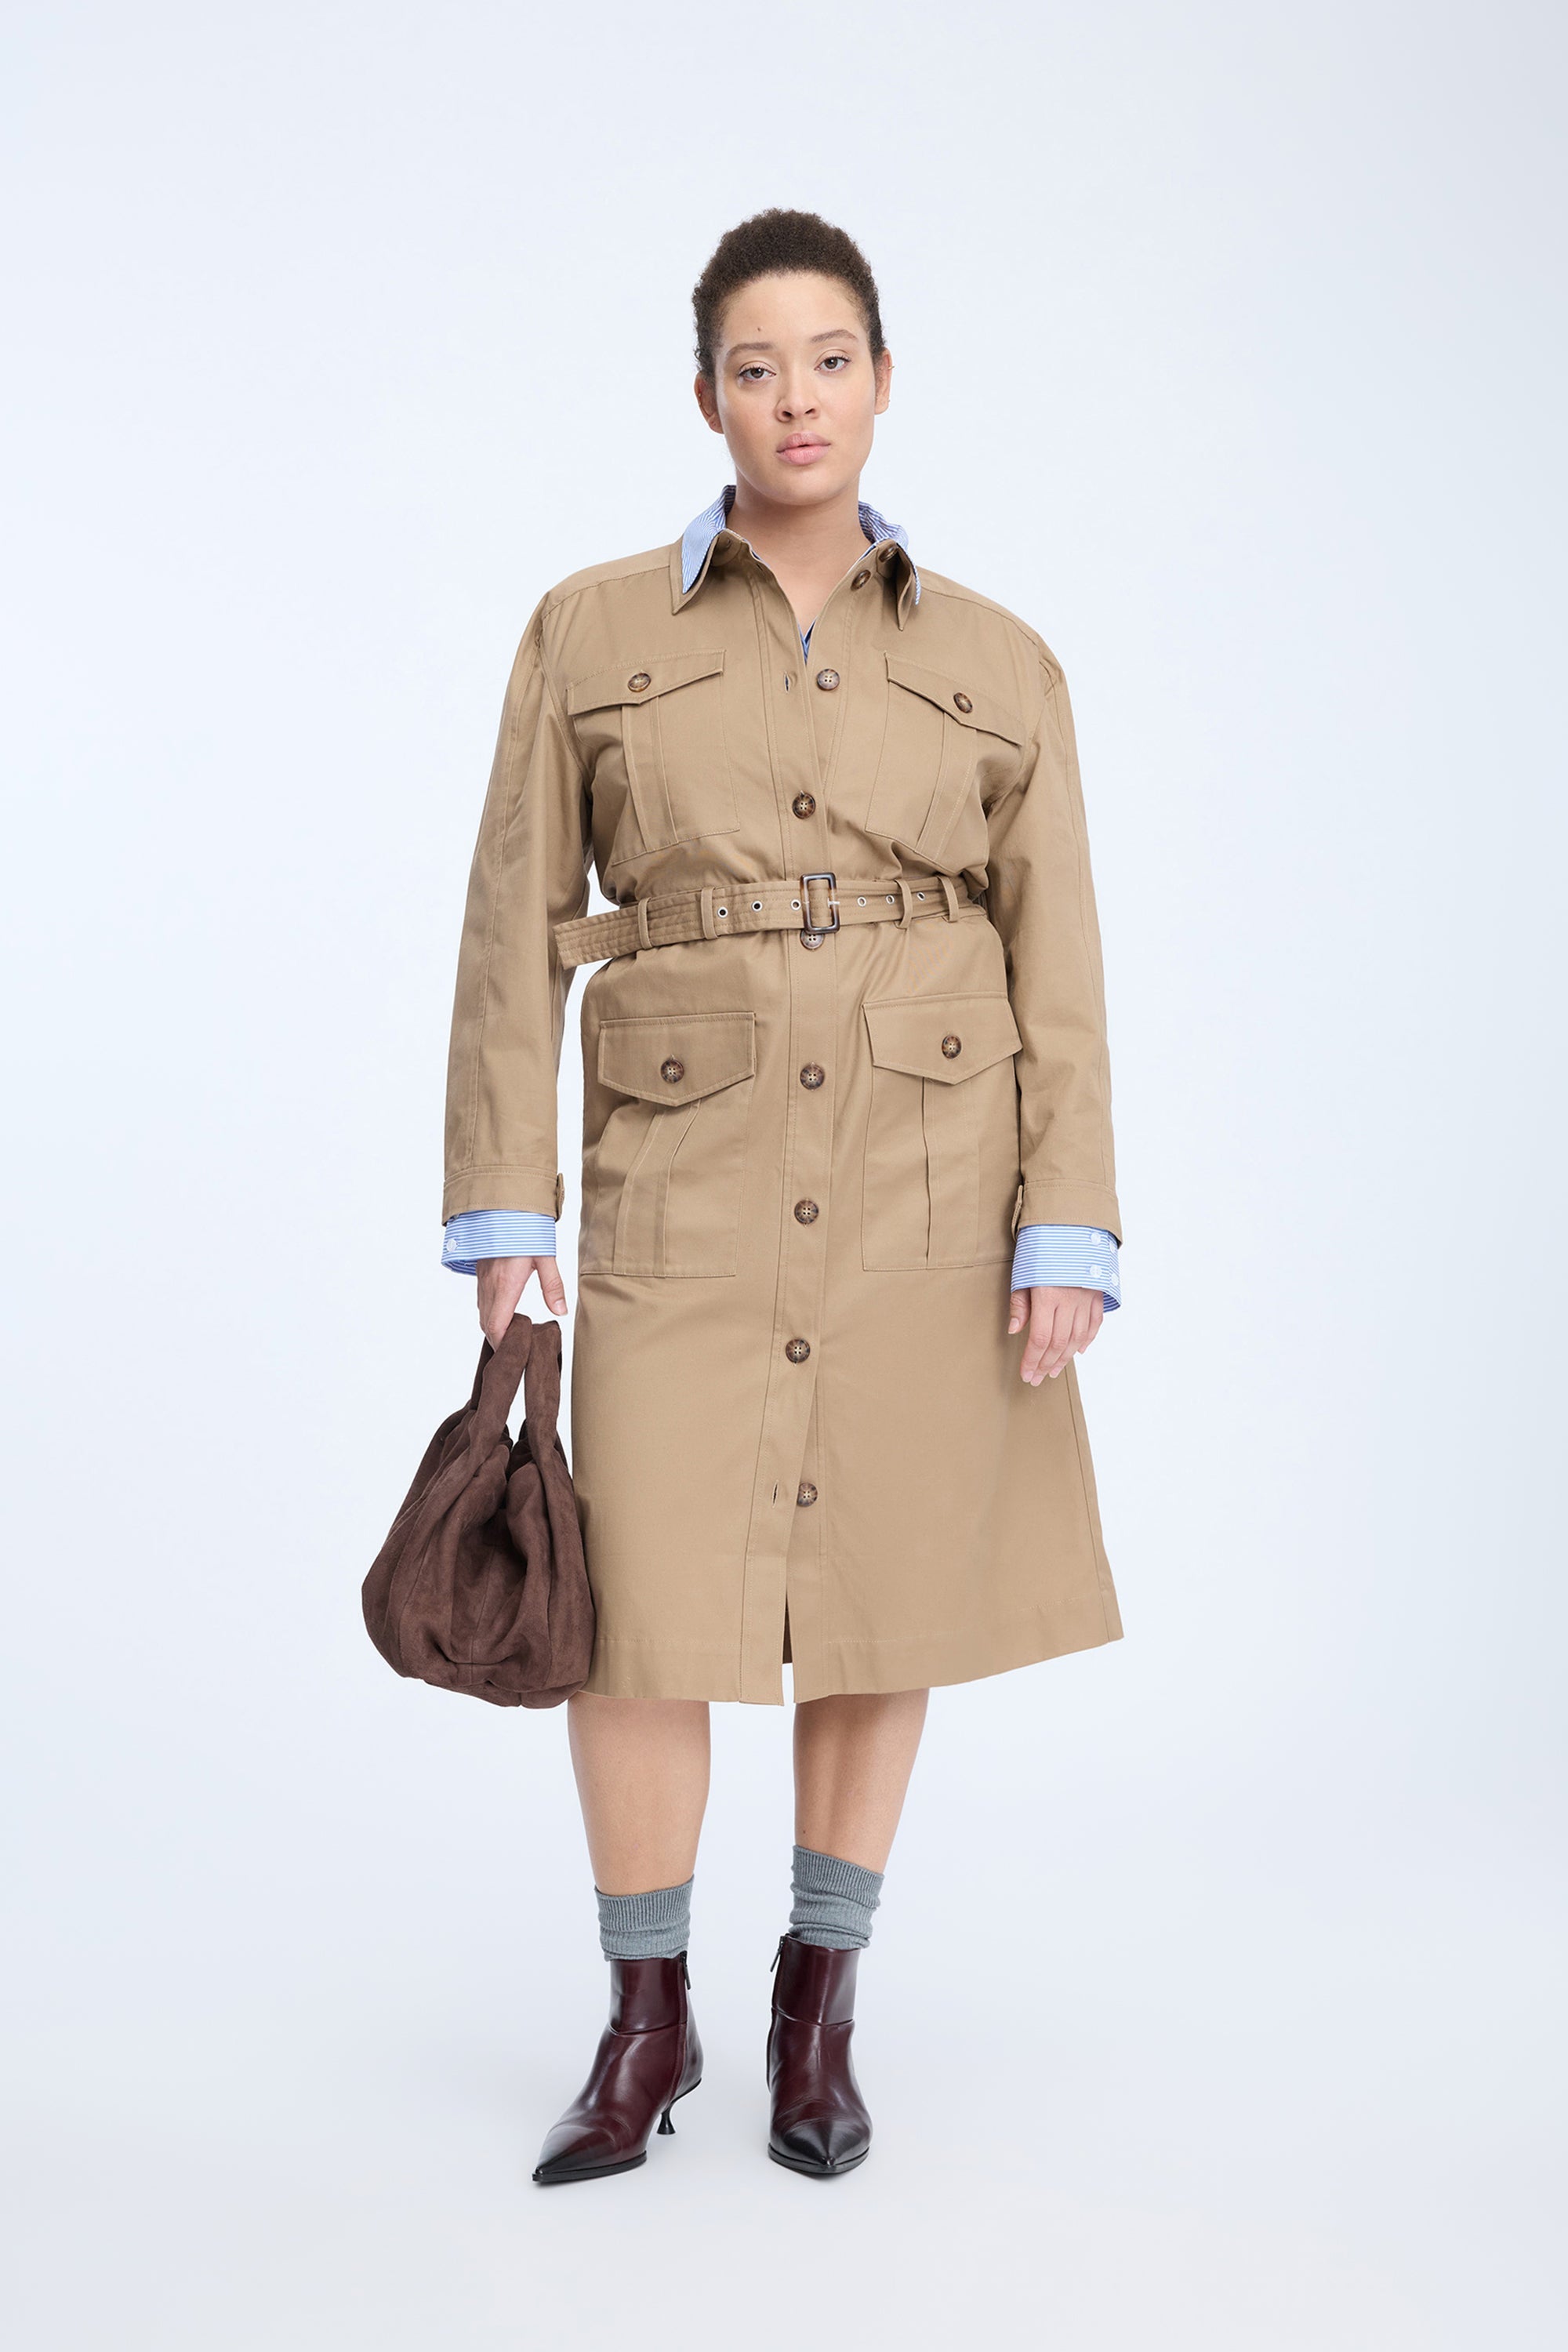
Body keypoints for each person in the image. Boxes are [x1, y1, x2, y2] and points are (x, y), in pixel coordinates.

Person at [439, 208, 1123, 2184]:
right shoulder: (590, 632)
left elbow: (1058, 958)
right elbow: (506, 926)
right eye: (756, 367)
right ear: (706, 398)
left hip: (929, 1179)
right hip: (681, 1177)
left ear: (882, 381)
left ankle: (814, 2017)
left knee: (885, 1594)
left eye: (830, 361)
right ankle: (641, 2023)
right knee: (634, 1617)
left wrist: (1066, 1221)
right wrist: (505, 1207)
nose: (795, 399)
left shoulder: (1000, 659)